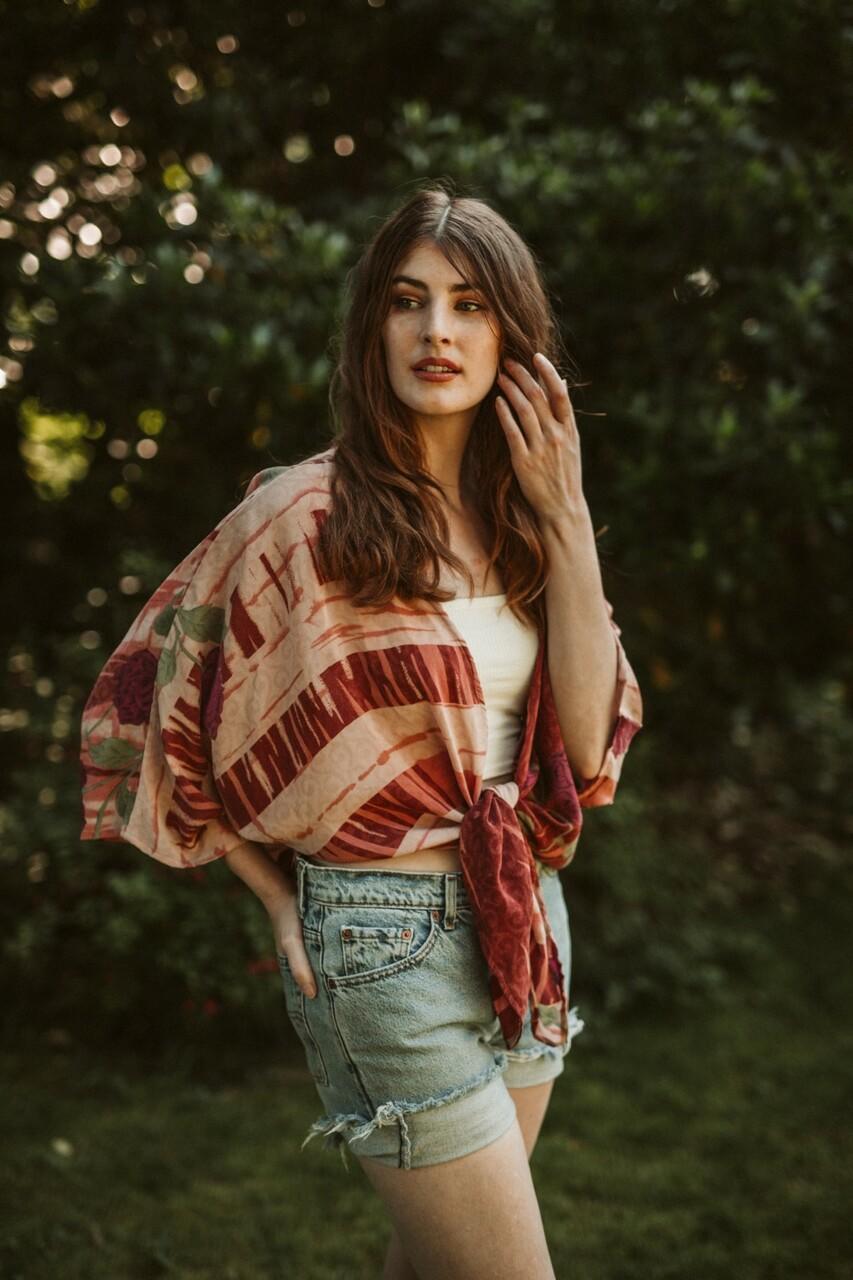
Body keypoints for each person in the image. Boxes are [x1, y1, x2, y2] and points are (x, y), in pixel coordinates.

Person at [79, 181, 643, 1280]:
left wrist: (569, 519)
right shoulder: (302, 515)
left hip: (526, 916)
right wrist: (274, 892)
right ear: (371, 327)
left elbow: (583, 749)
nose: (437, 328)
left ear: (510, 336)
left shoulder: (532, 523)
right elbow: (155, 704)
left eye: (470, 303)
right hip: (382, 938)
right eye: (407, 299)